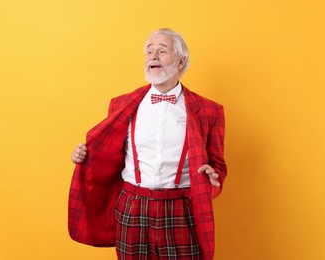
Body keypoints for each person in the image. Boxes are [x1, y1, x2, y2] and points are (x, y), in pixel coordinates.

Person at [68, 28, 227, 260]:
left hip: (181, 210)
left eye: (162, 51)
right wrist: (83, 155)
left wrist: (215, 178)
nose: (153, 56)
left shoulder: (210, 111)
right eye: (149, 51)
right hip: (133, 207)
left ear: (181, 60)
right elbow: (105, 154)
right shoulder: (121, 104)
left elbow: (218, 166)